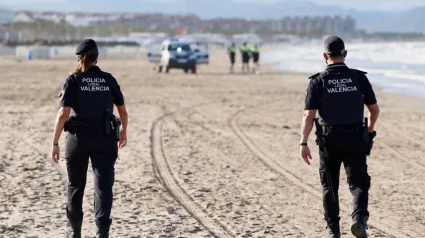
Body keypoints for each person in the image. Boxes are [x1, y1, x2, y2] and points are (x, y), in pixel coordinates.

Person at [298, 36, 380, 238]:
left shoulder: (318, 81)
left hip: (329, 140)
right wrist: (368, 133)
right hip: (355, 138)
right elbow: (374, 110)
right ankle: (359, 220)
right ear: (345, 54)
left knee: (330, 186)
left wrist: (303, 142)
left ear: (324, 56)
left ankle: (333, 231)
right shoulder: (359, 78)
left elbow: (309, 115)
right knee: (359, 183)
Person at [51, 39, 128, 238]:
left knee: (76, 185)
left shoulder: (73, 80)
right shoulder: (108, 79)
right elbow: (123, 111)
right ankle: (102, 233)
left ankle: (75, 231)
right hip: (105, 139)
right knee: (103, 187)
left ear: (79, 57)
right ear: (96, 58)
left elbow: (63, 115)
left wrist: (55, 142)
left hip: (78, 139)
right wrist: (123, 132)